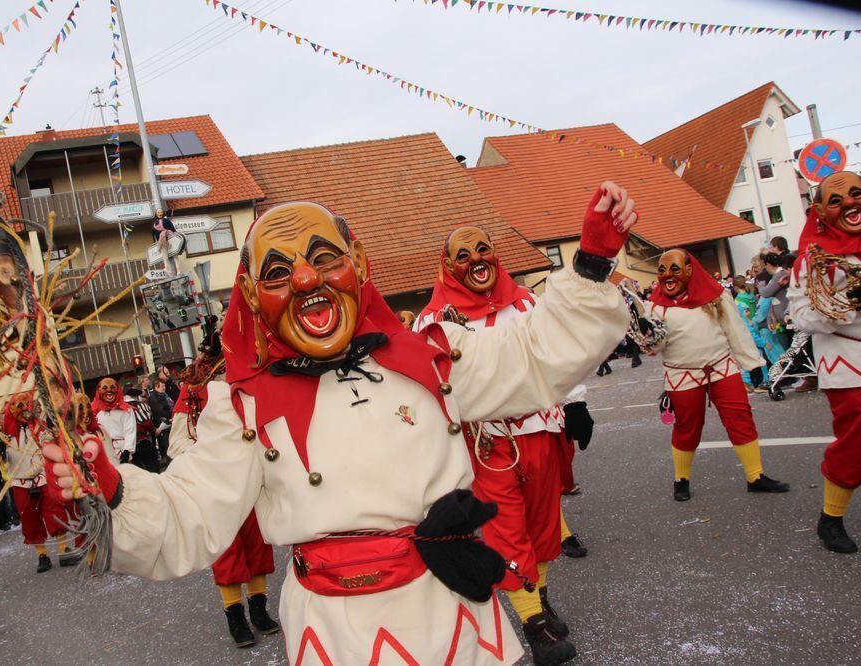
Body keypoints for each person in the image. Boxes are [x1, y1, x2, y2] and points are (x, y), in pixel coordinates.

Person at [45, 189, 633, 665]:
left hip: (448, 612)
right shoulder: (243, 406)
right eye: (279, 272)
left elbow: (533, 356)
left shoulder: (433, 357)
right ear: (251, 295)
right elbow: (191, 513)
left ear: (360, 265)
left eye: (325, 258)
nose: (306, 280)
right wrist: (112, 486)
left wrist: (590, 263)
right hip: (336, 635)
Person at [414, 225, 596, 664]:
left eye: (483, 249)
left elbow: (555, 355)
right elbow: (427, 387)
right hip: (487, 443)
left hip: (539, 429)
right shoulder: (432, 322)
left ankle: (541, 599)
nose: (476, 259)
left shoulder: (526, 303)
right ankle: (535, 627)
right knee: (507, 533)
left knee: (542, 527)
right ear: (447, 265)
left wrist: (575, 403)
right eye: (463, 255)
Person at [646, 249, 790, 501]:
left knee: (740, 418)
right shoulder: (655, 307)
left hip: (721, 368)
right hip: (682, 374)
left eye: (674, 269)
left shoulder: (716, 296)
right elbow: (655, 346)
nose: (667, 275)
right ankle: (681, 479)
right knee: (687, 427)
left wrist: (752, 364)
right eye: (661, 270)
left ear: (690, 270)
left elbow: (735, 329)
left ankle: (755, 476)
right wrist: (648, 340)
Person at [168, 359, 279, 648]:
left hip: (249, 482)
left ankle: (258, 609)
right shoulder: (192, 396)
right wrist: (205, 462)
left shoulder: (245, 387)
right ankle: (235, 616)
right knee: (227, 552)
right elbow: (177, 444)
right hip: (216, 487)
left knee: (257, 547)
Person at [788, 171, 861, 554]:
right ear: (819, 210)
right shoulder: (814, 259)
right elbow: (800, 317)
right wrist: (849, 304)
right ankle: (831, 518)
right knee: (857, 444)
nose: (850, 203)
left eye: (856, 193)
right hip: (850, 362)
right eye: (837, 200)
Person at [1, 393, 77, 572]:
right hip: (21, 481)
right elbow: (1, 456)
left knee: (55, 510)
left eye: (24, 405)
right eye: (17, 406)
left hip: (43, 476)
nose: (22, 409)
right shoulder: (5, 433)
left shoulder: (41, 426)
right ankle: (42, 555)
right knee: (29, 518)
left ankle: (63, 549)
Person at [92, 378, 136, 465]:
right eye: (104, 388)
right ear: (99, 390)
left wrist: (127, 450)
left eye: (112, 387)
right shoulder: (94, 410)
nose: (109, 390)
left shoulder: (126, 409)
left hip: (122, 449)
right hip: (105, 450)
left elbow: (130, 430)